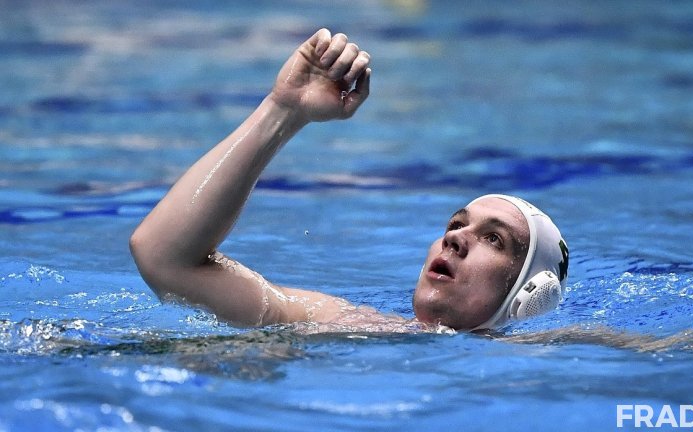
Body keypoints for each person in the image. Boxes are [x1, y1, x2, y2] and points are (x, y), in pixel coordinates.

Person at [129, 28, 569, 333]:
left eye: (493, 239)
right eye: (456, 224)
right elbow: (164, 258)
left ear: (531, 294)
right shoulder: (344, 323)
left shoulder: (554, 355)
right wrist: (284, 111)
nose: (454, 239)